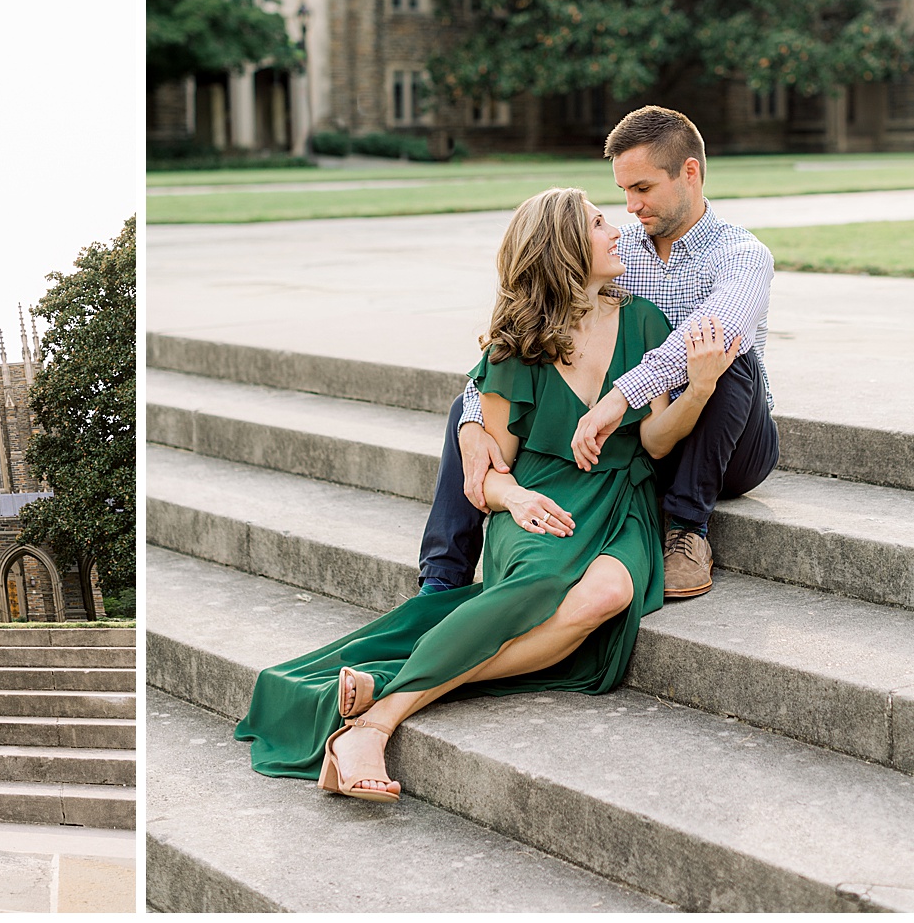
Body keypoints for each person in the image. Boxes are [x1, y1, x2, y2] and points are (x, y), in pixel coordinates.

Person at [235, 186, 740, 799]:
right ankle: (373, 727)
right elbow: (489, 472)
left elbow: (656, 443)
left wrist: (699, 388)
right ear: (563, 248)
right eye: (598, 224)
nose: (617, 232)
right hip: (538, 500)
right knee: (540, 584)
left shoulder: (644, 321)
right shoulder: (517, 346)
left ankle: (386, 687)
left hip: (620, 501)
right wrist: (516, 499)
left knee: (607, 595)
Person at [419, 106, 778, 600]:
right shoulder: (616, 252)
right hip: (643, 435)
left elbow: (719, 328)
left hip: (727, 442)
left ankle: (687, 530)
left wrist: (619, 397)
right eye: (624, 190)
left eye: (643, 188)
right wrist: (473, 419)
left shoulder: (742, 254)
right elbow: (532, 318)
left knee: (723, 353)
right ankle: (441, 579)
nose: (631, 206)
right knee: (467, 406)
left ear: (689, 172)